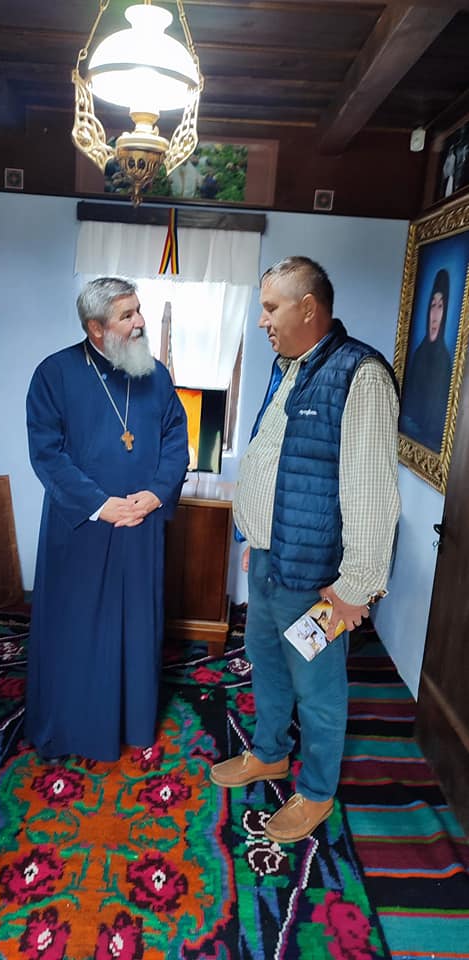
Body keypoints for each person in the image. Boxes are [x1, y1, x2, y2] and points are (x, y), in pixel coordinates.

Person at [210, 256, 400, 843]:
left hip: (315, 575)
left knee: (317, 689)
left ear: (308, 307)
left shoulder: (360, 375)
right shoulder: (288, 367)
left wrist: (356, 586)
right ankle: (269, 755)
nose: (262, 320)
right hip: (271, 558)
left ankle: (316, 791)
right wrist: (256, 535)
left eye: (271, 308)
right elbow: (277, 458)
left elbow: (371, 489)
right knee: (266, 664)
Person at [25, 277, 189, 763]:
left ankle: (132, 723)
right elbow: (47, 454)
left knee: (136, 628)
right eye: (127, 315)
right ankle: (76, 729)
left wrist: (156, 495)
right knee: (78, 632)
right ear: (96, 328)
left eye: (139, 310)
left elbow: (177, 439)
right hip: (82, 529)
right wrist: (99, 505)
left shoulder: (156, 375)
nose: (140, 322)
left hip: (141, 526)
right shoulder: (54, 374)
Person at [400, 268, 452, 453]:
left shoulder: (446, 363)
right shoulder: (418, 354)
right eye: (432, 305)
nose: (435, 317)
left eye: (441, 306)